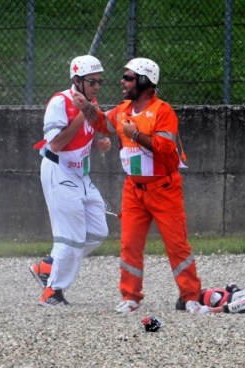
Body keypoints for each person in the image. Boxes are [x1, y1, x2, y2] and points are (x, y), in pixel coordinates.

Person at [72, 57, 204, 314]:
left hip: (164, 189)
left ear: (145, 82)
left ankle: (190, 296)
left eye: (129, 78)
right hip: (133, 190)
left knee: (177, 246)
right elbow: (102, 124)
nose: (123, 82)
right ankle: (130, 296)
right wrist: (87, 107)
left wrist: (136, 136)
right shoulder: (122, 110)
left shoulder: (163, 111)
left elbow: (166, 151)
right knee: (129, 244)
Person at [28, 55, 111, 306]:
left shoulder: (90, 102)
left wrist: (97, 143)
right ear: (77, 81)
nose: (97, 87)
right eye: (92, 82)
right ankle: (52, 291)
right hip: (59, 171)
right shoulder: (59, 102)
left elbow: (82, 137)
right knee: (71, 236)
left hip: (80, 174)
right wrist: (82, 115)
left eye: (99, 81)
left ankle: (48, 265)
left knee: (98, 230)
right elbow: (55, 144)